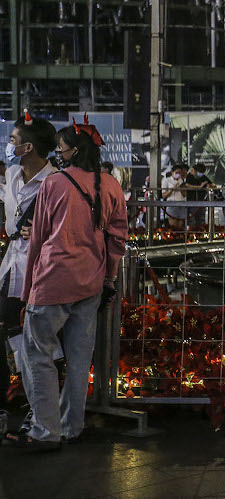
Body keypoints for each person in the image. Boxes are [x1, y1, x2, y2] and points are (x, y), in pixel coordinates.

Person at [8, 117, 127, 449]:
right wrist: (110, 279)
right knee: (78, 358)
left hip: (53, 283)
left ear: (73, 152)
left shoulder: (55, 184)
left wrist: (29, 287)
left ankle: (45, 431)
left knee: (37, 355)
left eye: (60, 149)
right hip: (91, 284)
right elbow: (118, 241)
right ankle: (71, 426)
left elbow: (38, 241)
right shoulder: (112, 186)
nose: (57, 154)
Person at [0, 111, 58, 435]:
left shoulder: (54, 183)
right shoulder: (11, 174)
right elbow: (10, 223)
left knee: (38, 344)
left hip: (41, 273)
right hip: (11, 268)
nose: (9, 145)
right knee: (11, 333)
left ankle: (39, 412)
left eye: (13, 141)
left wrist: (40, 231)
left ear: (28, 147)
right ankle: (17, 404)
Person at [162, 163, 188, 229]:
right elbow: (164, 195)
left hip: (182, 203)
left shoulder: (182, 180)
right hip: (172, 204)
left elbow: (184, 194)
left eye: (180, 173)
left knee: (180, 225)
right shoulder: (167, 180)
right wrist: (172, 189)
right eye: (177, 172)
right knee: (173, 226)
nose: (178, 174)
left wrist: (181, 188)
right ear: (172, 172)